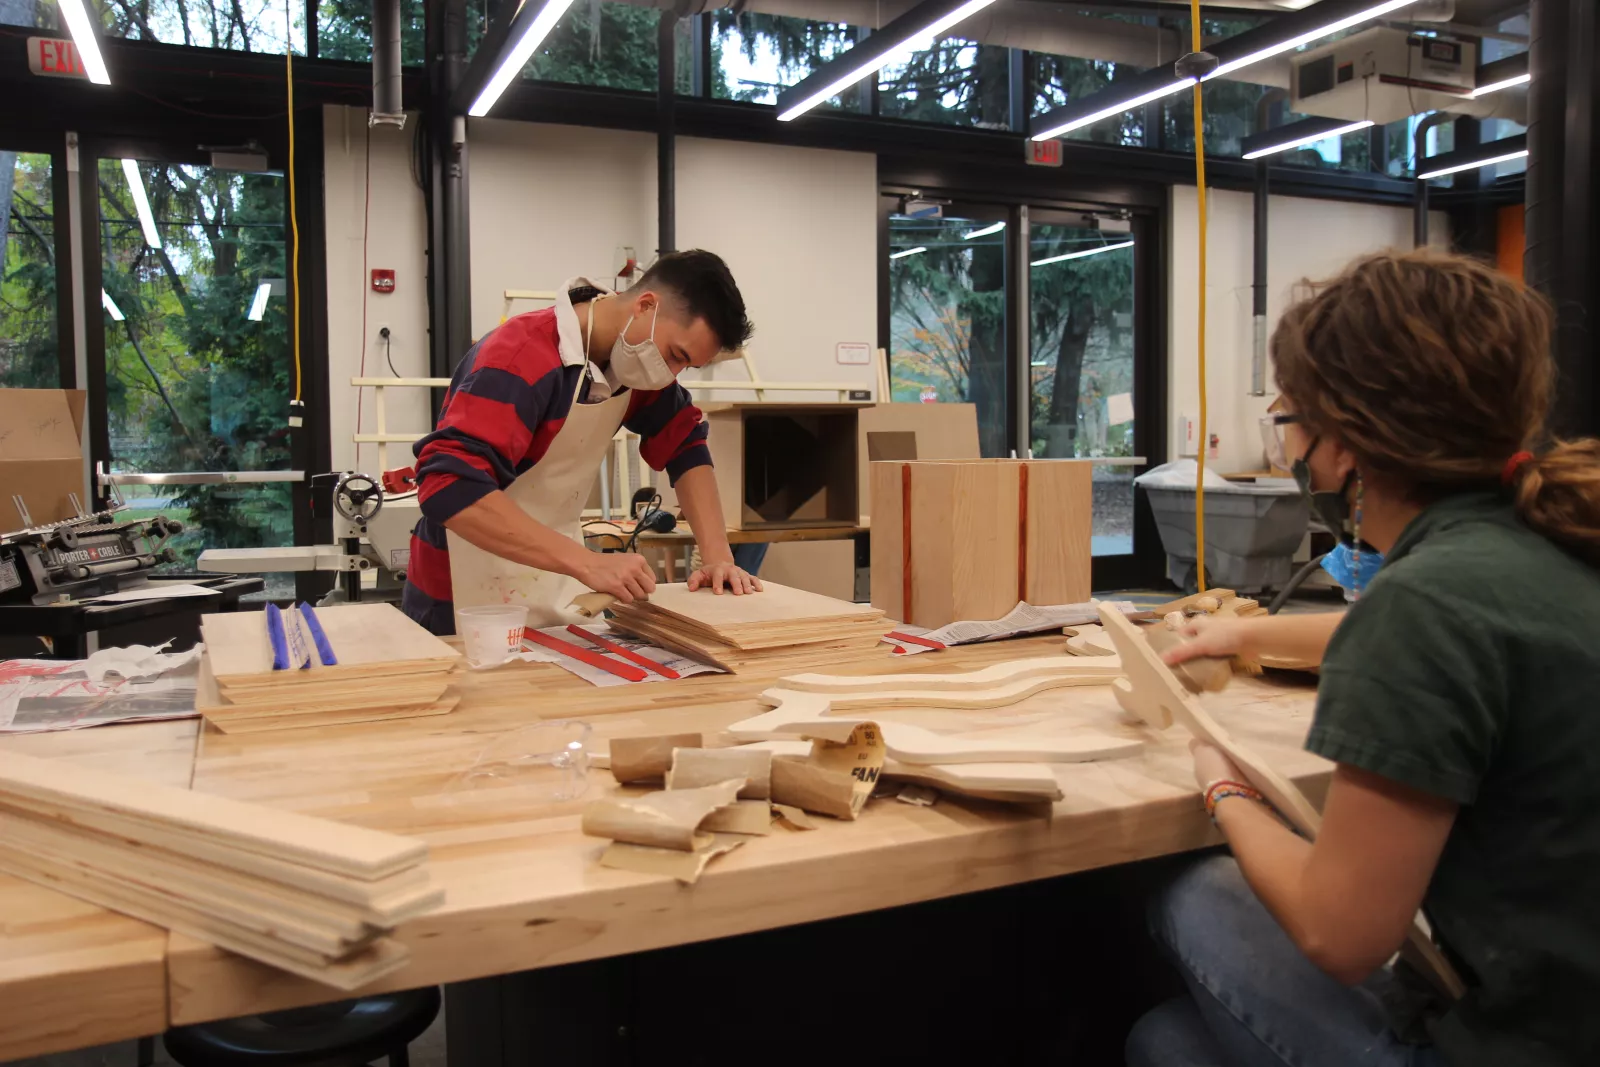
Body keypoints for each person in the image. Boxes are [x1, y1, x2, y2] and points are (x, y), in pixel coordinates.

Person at [1126, 250, 1600, 1067]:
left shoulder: (1429, 602)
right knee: (1165, 1042)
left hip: (1520, 1044)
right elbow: (1428, 631)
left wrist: (1223, 782)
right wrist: (1244, 634)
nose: (1293, 450)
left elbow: (1340, 933)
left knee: (1194, 893)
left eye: (1291, 422)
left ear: (1344, 443)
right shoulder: (1548, 540)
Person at [401, 250, 762, 636]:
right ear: (645, 306)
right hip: (460, 595)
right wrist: (586, 562)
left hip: (554, 581)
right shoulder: (522, 355)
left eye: (685, 367)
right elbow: (448, 486)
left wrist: (718, 558)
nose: (670, 375)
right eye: (676, 355)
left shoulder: (634, 368)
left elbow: (685, 443)